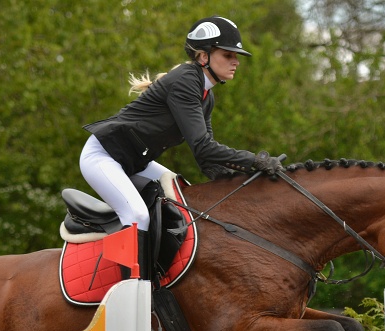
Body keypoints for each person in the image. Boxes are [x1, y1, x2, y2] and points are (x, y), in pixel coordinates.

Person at [79, 15, 284, 281]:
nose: (236, 61)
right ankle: (131, 289)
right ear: (203, 57)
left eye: (236, 56)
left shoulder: (206, 95)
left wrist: (246, 179)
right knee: (137, 215)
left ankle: (161, 278)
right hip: (103, 156)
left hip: (135, 162)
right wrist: (254, 160)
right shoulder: (186, 81)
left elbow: (206, 159)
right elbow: (204, 146)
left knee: (181, 194)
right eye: (228, 54)